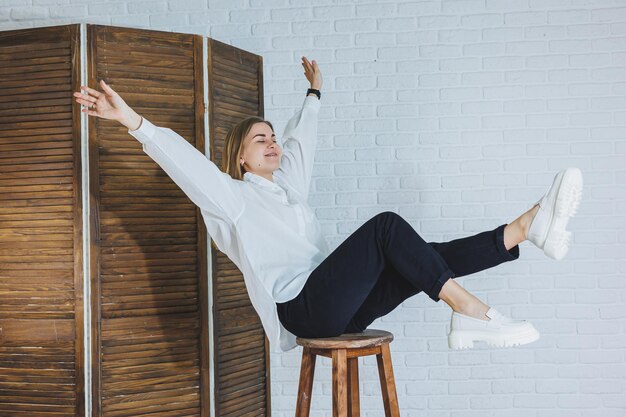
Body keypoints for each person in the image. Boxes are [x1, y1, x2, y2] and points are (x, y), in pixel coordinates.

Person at [73, 56, 583, 352]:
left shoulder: (287, 191)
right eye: (259, 141)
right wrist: (133, 122)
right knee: (386, 229)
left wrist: (313, 94)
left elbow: (303, 143)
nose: (272, 144)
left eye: (272, 136)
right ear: (240, 159)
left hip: (341, 307)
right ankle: (469, 310)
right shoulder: (231, 199)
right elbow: (188, 166)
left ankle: (522, 229)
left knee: (416, 257)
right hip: (304, 309)